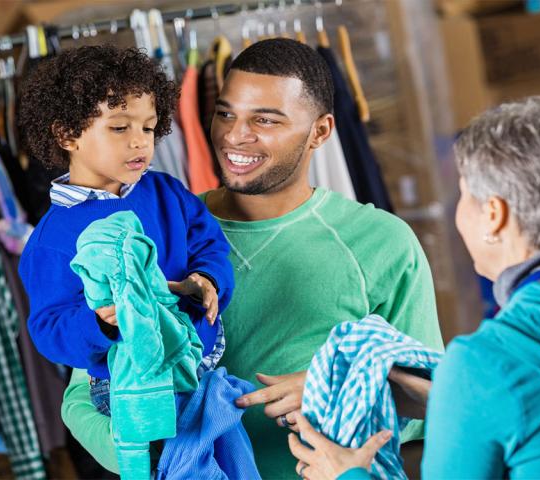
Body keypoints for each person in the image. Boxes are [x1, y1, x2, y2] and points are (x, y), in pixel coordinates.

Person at [60, 38, 444, 478]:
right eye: (225, 113)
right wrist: (152, 456)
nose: (235, 135)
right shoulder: (153, 232)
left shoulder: (382, 242)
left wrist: (334, 387)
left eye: (265, 119)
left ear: (320, 131)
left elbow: (435, 397)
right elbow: (81, 396)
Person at [288, 96, 540, 480]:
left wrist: (346, 474)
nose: (458, 214)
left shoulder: (482, 363)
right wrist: (449, 402)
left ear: (494, 216)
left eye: (465, 195)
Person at [18, 45, 234, 418]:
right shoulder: (49, 241)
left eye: (148, 127)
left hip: (201, 358)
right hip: (126, 384)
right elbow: (49, 327)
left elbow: (210, 244)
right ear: (68, 134)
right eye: (119, 127)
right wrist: (99, 322)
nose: (140, 141)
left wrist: (208, 278)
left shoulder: (167, 192)